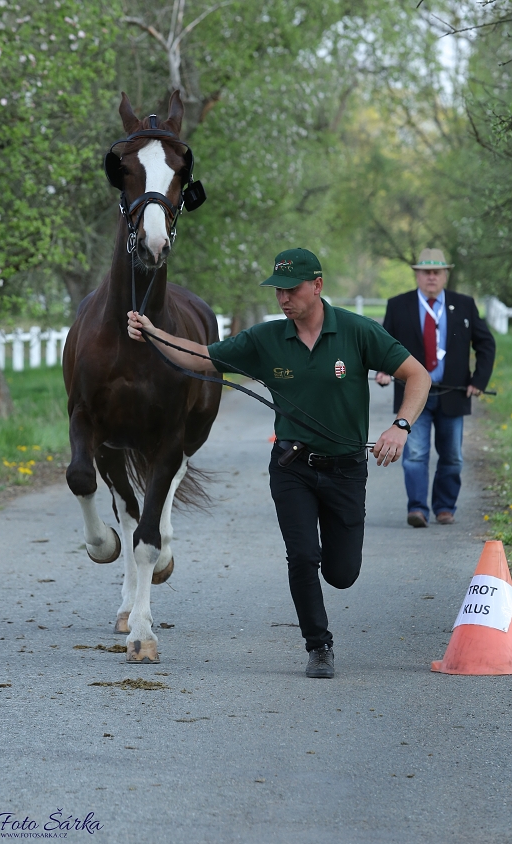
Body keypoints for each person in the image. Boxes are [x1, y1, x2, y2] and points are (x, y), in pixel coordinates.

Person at [128, 248, 430, 679]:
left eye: (291, 290)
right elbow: (202, 356)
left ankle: (330, 579)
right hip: (292, 467)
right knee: (302, 556)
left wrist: (400, 425)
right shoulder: (265, 340)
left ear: (317, 286)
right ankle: (318, 646)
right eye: (277, 291)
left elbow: (418, 375)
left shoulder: (357, 331)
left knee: (343, 574)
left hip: (346, 469)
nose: (283, 299)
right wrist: (154, 333)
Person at [375, 248, 495, 528]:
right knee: (415, 453)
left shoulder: (464, 304)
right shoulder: (398, 304)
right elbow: (383, 344)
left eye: (436, 272)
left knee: (452, 455)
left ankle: (444, 507)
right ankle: (417, 508)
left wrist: (478, 381)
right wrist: (383, 368)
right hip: (412, 396)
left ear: (445, 275)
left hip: (452, 393)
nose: (431, 277)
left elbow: (485, 343)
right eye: (425, 272)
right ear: (417, 274)